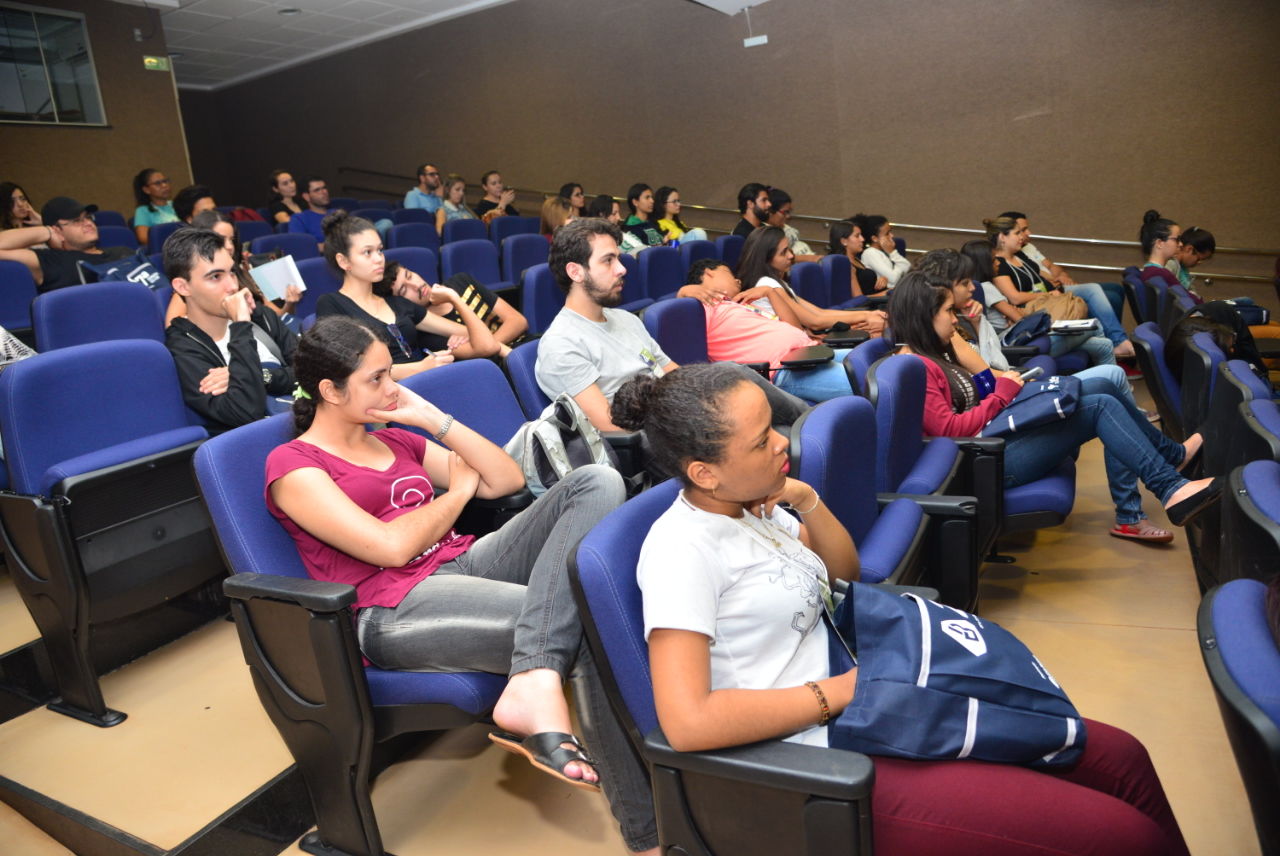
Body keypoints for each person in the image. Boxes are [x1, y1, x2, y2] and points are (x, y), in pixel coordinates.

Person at [614, 360, 1191, 856]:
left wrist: (805, 499)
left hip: (868, 694)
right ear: (704, 473)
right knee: (1125, 837)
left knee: (1123, 759)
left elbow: (842, 573)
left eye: (774, 428)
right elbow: (687, 723)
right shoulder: (682, 551)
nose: (782, 443)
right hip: (819, 758)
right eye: (762, 440)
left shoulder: (749, 505)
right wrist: (841, 692)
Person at [264, 316, 650, 828]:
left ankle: (533, 680)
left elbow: (505, 478)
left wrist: (431, 418)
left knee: (596, 481)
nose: (392, 388)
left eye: (390, 373)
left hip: (459, 563)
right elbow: (392, 548)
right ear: (330, 391)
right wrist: (458, 493)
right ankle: (646, 831)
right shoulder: (294, 466)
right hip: (391, 606)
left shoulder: (396, 441)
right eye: (375, 379)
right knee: (584, 622)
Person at [888, 270, 1220, 535]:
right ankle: (1170, 488)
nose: (955, 319)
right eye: (948, 311)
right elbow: (949, 431)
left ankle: (1172, 460)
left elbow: (978, 391)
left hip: (994, 438)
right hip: (985, 462)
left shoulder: (937, 352)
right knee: (1099, 406)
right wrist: (1003, 392)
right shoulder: (915, 365)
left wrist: (1004, 387)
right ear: (924, 316)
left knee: (1102, 385)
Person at [534, 218, 808, 432]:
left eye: (618, 258)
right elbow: (610, 426)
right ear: (575, 272)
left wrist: (709, 399)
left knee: (732, 374)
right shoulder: (562, 344)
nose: (622, 268)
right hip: (652, 436)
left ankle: (809, 427)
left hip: (675, 411)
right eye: (608, 260)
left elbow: (676, 374)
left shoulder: (626, 319)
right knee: (768, 437)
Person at [163, 227, 298, 434]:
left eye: (232, 272)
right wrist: (240, 325)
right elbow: (245, 413)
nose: (233, 286)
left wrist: (259, 375)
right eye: (215, 276)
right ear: (183, 287)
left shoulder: (260, 316)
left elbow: (313, 371)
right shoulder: (181, 349)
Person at [678, 258, 854, 402]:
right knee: (864, 380)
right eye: (730, 273)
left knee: (866, 360)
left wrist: (770, 293)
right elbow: (676, 320)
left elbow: (796, 330)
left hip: (810, 353)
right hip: (786, 371)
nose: (738, 280)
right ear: (709, 273)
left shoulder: (742, 304)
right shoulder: (702, 306)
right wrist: (684, 291)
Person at [314, 211, 453, 379]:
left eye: (380, 250)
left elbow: (465, 333)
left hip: (423, 380)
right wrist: (420, 367)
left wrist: (454, 301)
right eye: (367, 252)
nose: (379, 258)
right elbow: (349, 368)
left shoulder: (396, 303)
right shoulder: (331, 303)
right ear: (344, 261)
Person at [984, 216, 1137, 360]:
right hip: (1040, 303)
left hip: (1051, 295)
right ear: (1002, 237)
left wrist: (1058, 279)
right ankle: (1119, 342)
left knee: (1101, 292)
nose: (1022, 236)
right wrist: (1048, 294)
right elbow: (1015, 297)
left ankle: (1117, 344)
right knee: (1092, 293)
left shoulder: (1019, 255)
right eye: (1017, 233)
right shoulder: (998, 264)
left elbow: (1041, 273)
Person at [958, 239, 1117, 369]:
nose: (999, 262)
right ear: (984, 263)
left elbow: (1013, 314)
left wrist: (1012, 315)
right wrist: (1013, 315)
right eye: (994, 259)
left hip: (1019, 337)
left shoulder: (986, 286)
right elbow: (1018, 317)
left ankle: (1108, 383)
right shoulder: (985, 287)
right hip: (1018, 344)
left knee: (1104, 345)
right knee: (1096, 327)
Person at [735, 226, 887, 337]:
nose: (791, 256)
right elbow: (815, 321)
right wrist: (865, 316)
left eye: (789, 249)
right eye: (783, 253)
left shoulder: (775, 282)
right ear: (766, 259)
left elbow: (819, 312)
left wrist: (868, 314)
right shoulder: (767, 284)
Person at [165, 209, 303, 327]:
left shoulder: (245, 268)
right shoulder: (192, 287)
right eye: (220, 240)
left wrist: (289, 303)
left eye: (231, 239)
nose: (229, 246)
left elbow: (274, 318)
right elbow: (174, 328)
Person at [378, 259, 528, 359]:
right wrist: (454, 298)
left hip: (526, 344)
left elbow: (519, 321)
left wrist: (480, 339)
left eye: (409, 276)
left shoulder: (461, 281)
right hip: (505, 365)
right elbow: (486, 349)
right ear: (401, 303)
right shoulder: (426, 334)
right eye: (404, 290)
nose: (416, 286)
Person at [0, 197, 133, 293]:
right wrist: (46, 231)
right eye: (76, 220)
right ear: (57, 230)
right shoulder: (49, 261)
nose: (88, 223)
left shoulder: (123, 251)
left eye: (87, 217)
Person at [826, 219, 888, 300]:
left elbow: (865, 285)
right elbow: (857, 299)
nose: (862, 239)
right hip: (866, 306)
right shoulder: (843, 266)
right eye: (857, 236)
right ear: (844, 241)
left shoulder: (856, 259)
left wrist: (881, 281)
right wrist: (883, 294)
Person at [851, 214, 909, 288]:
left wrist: (892, 253)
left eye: (890, 231)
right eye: (887, 234)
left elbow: (907, 266)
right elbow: (893, 279)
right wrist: (892, 253)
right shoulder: (870, 253)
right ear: (875, 238)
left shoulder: (884, 251)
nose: (892, 235)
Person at [765, 188, 819, 261]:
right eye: (785, 212)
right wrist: (809, 258)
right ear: (770, 211)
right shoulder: (763, 235)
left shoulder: (786, 229)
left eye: (789, 212)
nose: (788, 216)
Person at [131, 168, 178, 245]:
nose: (164, 185)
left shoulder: (177, 204)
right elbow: (143, 238)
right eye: (157, 183)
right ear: (146, 190)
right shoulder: (143, 210)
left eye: (165, 181)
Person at [620, 183, 665, 254]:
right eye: (647, 197)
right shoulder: (630, 227)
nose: (652, 201)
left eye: (651, 197)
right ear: (635, 202)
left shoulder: (652, 222)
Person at [288, 177, 332, 245]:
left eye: (324, 188)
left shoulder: (338, 213)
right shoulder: (299, 219)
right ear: (306, 197)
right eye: (317, 190)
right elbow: (300, 245)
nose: (324, 192)